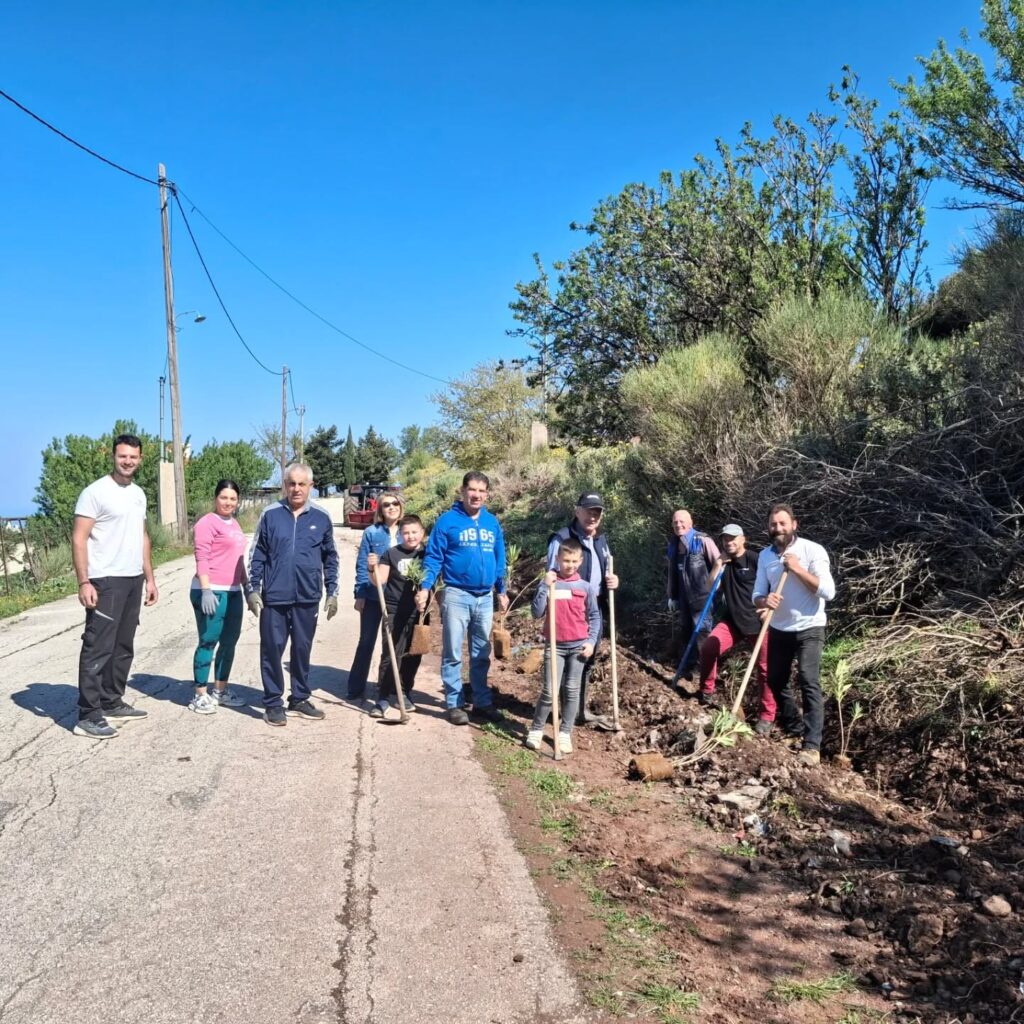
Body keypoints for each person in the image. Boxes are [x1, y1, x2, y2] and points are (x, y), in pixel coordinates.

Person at [72, 433, 159, 739]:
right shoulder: (95, 492)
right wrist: (84, 581)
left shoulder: (138, 494)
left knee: (123, 647)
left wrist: (149, 577)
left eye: (133, 457)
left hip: (133, 578)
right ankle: (88, 714)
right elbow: (79, 538)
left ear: (140, 459)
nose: (128, 461)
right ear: (113, 456)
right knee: (98, 648)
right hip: (105, 580)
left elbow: (142, 536)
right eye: (122, 456)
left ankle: (111, 700)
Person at [247, 463, 339, 727]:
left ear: (310, 486)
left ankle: (299, 698)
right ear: (284, 485)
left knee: (302, 649)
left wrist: (332, 591)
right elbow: (257, 555)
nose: (296, 488)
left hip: (307, 597)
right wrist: (253, 589)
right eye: (291, 483)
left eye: (302, 484)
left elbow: (330, 558)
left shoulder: (321, 518)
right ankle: (273, 703)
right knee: (272, 651)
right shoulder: (270, 514)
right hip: (274, 597)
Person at [415, 471, 508, 725]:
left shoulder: (492, 523)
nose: (476, 495)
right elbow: (433, 557)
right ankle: (454, 703)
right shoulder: (447, 522)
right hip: (456, 594)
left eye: (481, 491)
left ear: (487, 494)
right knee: (453, 651)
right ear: (462, 491)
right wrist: (425, 587)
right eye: (472, 490)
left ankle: (481, 702)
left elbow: (500, 558)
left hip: (485, 597)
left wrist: (502, 589)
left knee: (481, 653)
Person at [753, 504, 836, 766]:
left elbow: (828, 591)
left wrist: (798, 569)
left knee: (808, 679)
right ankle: (795, 727)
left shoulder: (812, 551)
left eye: (782, 523)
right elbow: (756, 594)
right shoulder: (765, 557)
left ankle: (812, 745)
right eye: (773, 524)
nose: (778, 528)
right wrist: (765, 600)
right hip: (779, 628)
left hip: (810, 626)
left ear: (794, 525)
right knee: (775, 681)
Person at [545, 493, 619, 729]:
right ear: (577, 511)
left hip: (594, 606)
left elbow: (605, 572)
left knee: (586, 658)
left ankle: (578, 710)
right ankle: (557, 710)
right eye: (588, 511)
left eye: (597, 512)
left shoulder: (601, 541)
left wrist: (613, 581)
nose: (592, 516)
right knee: (566, 660)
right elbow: (551, 576)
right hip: (569, 608)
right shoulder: (562, 539)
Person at [697, 525, 776, 732]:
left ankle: (766, 717)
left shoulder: (755, 559)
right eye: (725, 539)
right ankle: (706, 691)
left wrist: (768, 609)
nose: (728, 542)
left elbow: (772, 585)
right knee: (708, 648)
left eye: (733, 538)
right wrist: (718, 563)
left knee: (765, 669)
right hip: (733, 621)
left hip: (758, 623)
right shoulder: (724, 563)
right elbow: (709, 587)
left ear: (743, 539)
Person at [526, 537, 601, 755]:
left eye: (574, 561)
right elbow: (536, 612)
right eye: (565, 560)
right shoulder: (551, 583)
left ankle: (565, 732)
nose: (569, 565)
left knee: (571, 690)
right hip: (555, 646)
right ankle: (537, 730)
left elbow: (595, 617)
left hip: (578, 646)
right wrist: (544, 585)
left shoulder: (585, 587)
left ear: (580, 561)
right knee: (549, 691)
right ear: (558, 559)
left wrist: (591, 641)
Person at [188, 479, 249, 714]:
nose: (228, 502)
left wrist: (247, 587)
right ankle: (199, 694)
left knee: (229, 642)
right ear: (216, 498)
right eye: (224, 497)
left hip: (233, 591)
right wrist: (205, 590)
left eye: (233, 498)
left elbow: (238, 560)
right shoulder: (207, 523)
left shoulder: (234, 523)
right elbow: (201, 557)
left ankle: (220, 690)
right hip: (210, 589)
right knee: (208, 640)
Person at [346, 490, 405, 700]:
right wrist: (360, 593)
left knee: (391, 643)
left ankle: (385, 686)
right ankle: (355, 686)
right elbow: (363, 564)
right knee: (367, 640)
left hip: (397, 597)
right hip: (372, 594)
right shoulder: (372, 532)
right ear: (380, 509)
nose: (392, 507)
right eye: (387, 504)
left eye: (395, 504)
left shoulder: (405, 532)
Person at [370, 514, 428, 719]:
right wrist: (372, 567)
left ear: (422, 533)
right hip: (394, 610)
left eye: (414, 532)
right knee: (391, 653)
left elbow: (435, 583)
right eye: (406, 533)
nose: (411, 536)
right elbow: (379, 581)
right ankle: (383, 697)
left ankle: (404, 692)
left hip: (420, 614)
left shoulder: (429, 555)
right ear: (400, 535)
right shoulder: (391, 554)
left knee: (414, 655)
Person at [666, 509, 720, 681]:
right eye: (675, 522)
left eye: (682, 521)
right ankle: (688, 667)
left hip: (702, 597)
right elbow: (672, 572)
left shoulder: (702, 540)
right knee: (686, 631)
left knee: (702, 633)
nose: (678, 525)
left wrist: (717, 584)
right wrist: (672, 596)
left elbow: (719, 562)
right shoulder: (674, 544)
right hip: (683, 598)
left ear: (691, 523)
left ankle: (703, 671)